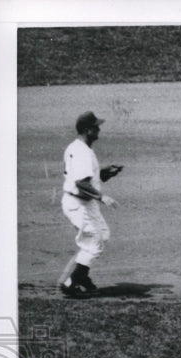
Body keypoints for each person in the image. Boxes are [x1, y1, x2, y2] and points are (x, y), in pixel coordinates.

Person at [59, 111, 123, 297]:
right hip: (79, 203)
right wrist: (103, 197)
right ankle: (72, 282)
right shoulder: (83, 153)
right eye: (96, 127)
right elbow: (82, 183)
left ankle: (82, 276)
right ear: (88, 130)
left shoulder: (77, 147)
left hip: (82, 202)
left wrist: (105, 173)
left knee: (102, 235)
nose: (99, 129)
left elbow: (85, 178)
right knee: (95, 241)